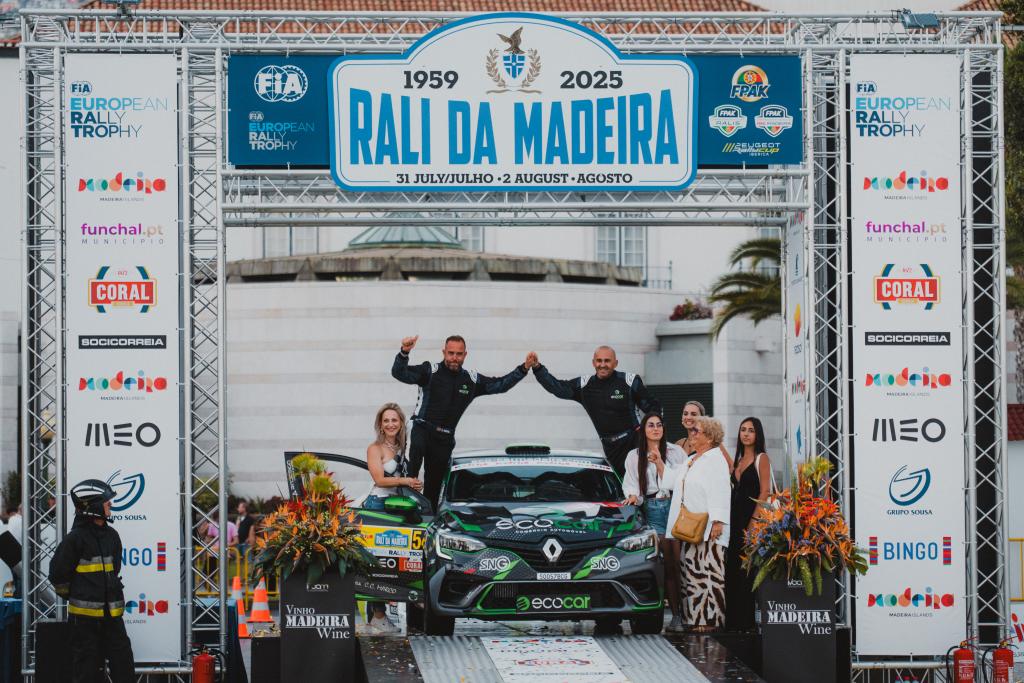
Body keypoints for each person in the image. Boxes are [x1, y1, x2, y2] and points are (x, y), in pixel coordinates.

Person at [392, 334, 532, 508]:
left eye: (459, 354)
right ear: (444, 352)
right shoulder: (430, 370)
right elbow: (399, 373)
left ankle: (429, 517)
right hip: (421, 429)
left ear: (465, 355)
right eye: (451, 353)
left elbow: (500, 385)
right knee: (410, 476)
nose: (454, 358)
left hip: (444, 438)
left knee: (434, 486)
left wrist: (524, 368)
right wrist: (404, 352)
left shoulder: (471, 380)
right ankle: (403, 510)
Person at [49, 479, 136, 682]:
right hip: (84, 621)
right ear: (93, 506)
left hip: (112, 616)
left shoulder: (112, 536)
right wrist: (79, 595)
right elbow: (58, 576)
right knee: (87, 670)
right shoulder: (74, 539)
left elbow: (114, 570)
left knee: (123, 664)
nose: (110, 504)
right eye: (106, 501)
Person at [531, 346, 662, 476]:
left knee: (641, 482)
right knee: (618, 485)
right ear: (593, 363)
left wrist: (651, 438)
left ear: (616, 363)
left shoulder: (630, 381)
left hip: (634, 443)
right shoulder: (584, 385)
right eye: (599, 361)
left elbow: (654, 409)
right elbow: (558, 389)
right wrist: (537, 368)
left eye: (607, 361)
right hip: (610, 448)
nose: (602, 365)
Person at [622, 412, 688, 633]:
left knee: (680, 562)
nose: (655, 428)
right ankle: (676, 616)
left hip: (675, 506)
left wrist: (659, 461)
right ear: (644, 429)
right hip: (654, 509)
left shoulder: (676, 452)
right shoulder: (634, 456)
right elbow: (632, 485)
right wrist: (633, 496)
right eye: (651, 425)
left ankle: (688, 613)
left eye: (659, 424)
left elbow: (682, 481)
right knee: (667, 563)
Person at [664, 416, 731, 632]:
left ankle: (710, 621)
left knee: (709, 573)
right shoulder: (692, 459)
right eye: (692, 430)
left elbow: (721, 490)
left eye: (696, 431)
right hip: (691, 527)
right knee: (692, 574)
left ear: (709, 437)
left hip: (709, 527)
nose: (691, 433)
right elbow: (673, 482)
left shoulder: (715, 459)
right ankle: (694, 618)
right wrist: (657, 462)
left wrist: (718, 521)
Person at [364, 402, 423, 635]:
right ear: (380, 424)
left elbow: (402, 478)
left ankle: (385, 613)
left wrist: (414, 485)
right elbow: (379, 480)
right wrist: (406, 481)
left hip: (398, 507)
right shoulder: (375, 448)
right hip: (377, 506)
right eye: (386, 420)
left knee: (395, 559)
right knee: (376, 561)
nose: (390, 424)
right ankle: (378, 616)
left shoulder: (402, 447)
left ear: (400, 423)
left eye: (394, 420)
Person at [725, 417, 773, 632]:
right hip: (733, 520)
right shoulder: (738, 460)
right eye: (743, 429)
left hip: (750, 520)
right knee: (732, 569)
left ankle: (746, 623)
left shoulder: (762, 458)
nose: (746, 433)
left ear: (757, 434)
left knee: (746, 570)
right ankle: (733, 622)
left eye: (751, 430)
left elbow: (765, 491)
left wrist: (754, 522)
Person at [236, 501, 256, 567]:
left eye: (239, 507)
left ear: (244, 508)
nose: (238, 509)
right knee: (238, 562)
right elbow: (236, 530)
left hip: (246, 542)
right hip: (238, 542)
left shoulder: (250, 519)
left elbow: (252, 531)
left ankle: (250, 572)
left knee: (248, 560)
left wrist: (249, 539)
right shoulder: (238, 518)